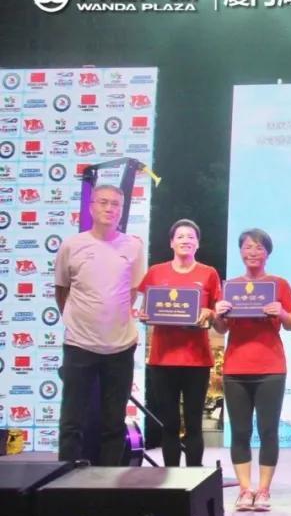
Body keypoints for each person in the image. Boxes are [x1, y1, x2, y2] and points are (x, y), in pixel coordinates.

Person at [54, 183, 146, 465]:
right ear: (91, 207)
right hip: (79, 345)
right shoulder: (72, 245)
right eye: (103, 202)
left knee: (113, 422)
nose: (109, 208)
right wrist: (78, 321)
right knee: (72, 420)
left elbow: (132, 291)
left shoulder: (134, 246)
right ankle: (64, 480)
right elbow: (62, 289)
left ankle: (108, 482)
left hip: (120, 347)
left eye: (115, 204)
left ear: (122, 210)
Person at [212, 229, 291, 511]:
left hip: (271, 366)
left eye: (259, 247)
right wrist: (218, 314)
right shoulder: (231, 287)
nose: (253, 252)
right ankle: (245, 489)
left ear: (267, 253)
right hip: (236, 367)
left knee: (268, 430)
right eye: (248, 247)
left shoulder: (279, 284)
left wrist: (280, 312)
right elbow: (221, 328)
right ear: (240, 252)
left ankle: (264, 490)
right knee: (240, 431)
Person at [138, 219, 221, 467]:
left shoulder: (208, 273)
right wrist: (144, 315)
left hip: (197, 360)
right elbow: (144, 307)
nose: (186, 240)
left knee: (194, 423)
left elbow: (217, 313)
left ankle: (195, 477)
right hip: (163, 359)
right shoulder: (156, 272)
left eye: (191, 237)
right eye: (180, 236)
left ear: (198, 243)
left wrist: (209, 313)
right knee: (170, 424)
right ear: (171, 243)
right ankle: (171, 479)